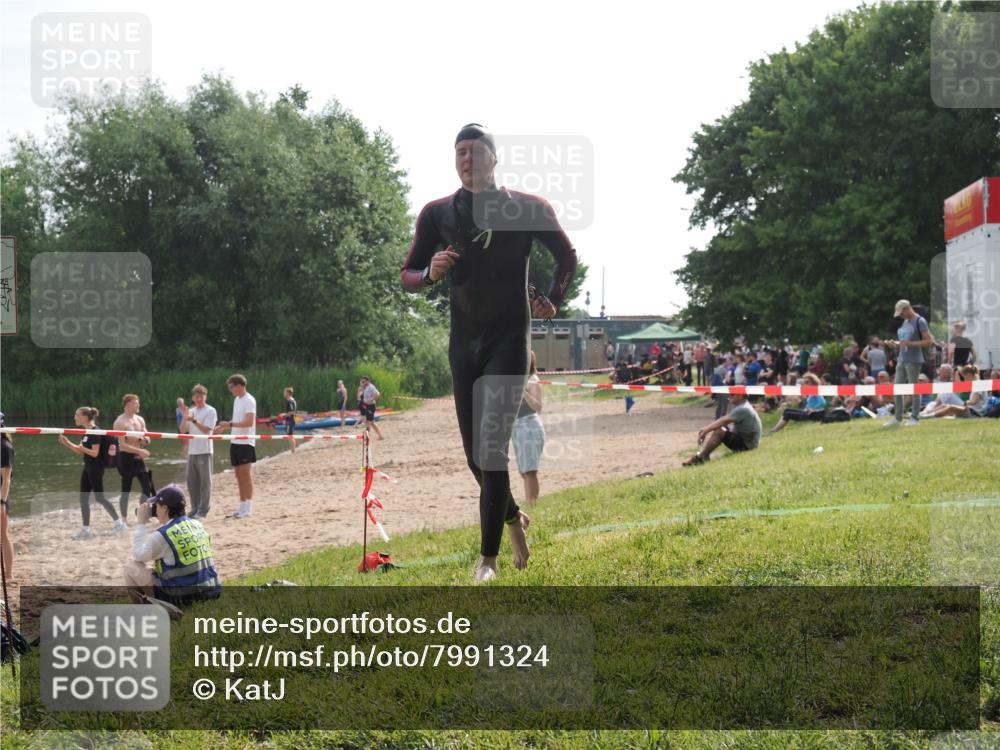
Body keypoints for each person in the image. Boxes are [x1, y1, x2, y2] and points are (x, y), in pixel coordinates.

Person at [400, 123, 577, 581]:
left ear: (494, 159)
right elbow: (408, 274)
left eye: (476, 151)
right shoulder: (437, 213)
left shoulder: (527, 208)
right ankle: (514, 518)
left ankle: (488, 561)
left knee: (492, 448)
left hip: (509, 341)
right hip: (464, 344)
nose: (467, 159)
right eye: (460, 152)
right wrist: (430, 273)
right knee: (475, 458)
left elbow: (566, 255)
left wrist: (553, 297)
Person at [124, 485, 221, 606]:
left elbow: (138, 555)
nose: (155, 509)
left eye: (157, 506)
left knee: (131, 567)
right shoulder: (197, 524)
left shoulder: (164, 534)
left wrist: (141, 524)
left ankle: (146, 608)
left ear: (165, 508)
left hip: (183, 598)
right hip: (212, 591)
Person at [59, 406, 126, 539]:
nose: (75, 417)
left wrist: (81, 448)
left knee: (100, 498)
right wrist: (67, 443)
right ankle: (86, 529)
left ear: (85, 417)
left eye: (77, 415)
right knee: (83, 498)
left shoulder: (95, 432)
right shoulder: (87, 432)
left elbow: (95, 453)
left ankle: (119, 524)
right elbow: (81, 451)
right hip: (88, 467)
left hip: (96, 468)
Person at [884, 300, 934, 427]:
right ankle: (898, 418)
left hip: (914, 360)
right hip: (902, 359)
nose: (901, 316)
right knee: (897, 388)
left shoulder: (920, 321)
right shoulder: (905, 322)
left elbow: (929, 342)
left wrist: (910, 344)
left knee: (914, 388)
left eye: (901, 313)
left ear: (907, 308)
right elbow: (904, 342)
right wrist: (895, 344)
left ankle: (915, 418)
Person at [213, 374, 256, 519]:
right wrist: (223, 427)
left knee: (245, 474)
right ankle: (242, 506)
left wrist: (229, 424)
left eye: (231, 386)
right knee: (238, 475)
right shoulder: (237, 400)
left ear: (239, 385)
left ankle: (248, 508)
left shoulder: (249, 400)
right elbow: (237, 420)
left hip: (246, 442)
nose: (230, 389)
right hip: (235, 441)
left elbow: (249, 422)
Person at [682, 392, 762, 466]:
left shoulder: (743, 408)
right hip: (748, 442)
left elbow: (723, 421)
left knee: (719, 431)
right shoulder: (743, 406)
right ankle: (703, 456)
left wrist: (705, 431)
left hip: (747, 446)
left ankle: (702, 457)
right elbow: (725, 421)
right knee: (721, 429)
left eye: (732, 394)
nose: (729, 396)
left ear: (740, 395)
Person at [114, 394, 156, 519]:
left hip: (138, 457)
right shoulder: (120, 422)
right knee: (126, 490)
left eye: (138, 403)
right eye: (135, 403)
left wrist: (145, 441)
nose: (138, 405)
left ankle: (142, 514)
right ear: (127, 404)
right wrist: (140, 450)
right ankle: (124, 519)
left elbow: (147, 437)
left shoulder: (140, 419)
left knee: (147, 486)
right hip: (125, 458)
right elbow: (122, 445)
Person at [512, 352, 545, 505]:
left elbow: (538, 406)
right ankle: (530, 503)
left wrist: (523, 392)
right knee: (524, 472)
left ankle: (532, 505)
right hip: (518, 427)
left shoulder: (533, 380)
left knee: (530, 472)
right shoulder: (518, 379)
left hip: (529, 426)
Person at [179, 384, 217, 519]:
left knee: (205, 482)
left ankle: (203, 509)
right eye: (197, 396)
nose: (199, 399)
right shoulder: (191, 411)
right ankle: (194, 507)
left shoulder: (210, 410)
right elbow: (183, 431)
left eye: (201, 396)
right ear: (193, 398)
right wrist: (185, 418)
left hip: (205, 450)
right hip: (192, 451)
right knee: (192, 482)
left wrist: (194, 420)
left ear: (205, 397)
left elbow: (207, 430)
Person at [1, 413, 14, 576]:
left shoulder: (4, 447)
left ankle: (8, 574)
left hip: (0, 495)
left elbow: (6, 479)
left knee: (3, 534)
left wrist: (2, 502)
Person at [283, 387, 298, 453]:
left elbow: (292, 411)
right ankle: (293, 450)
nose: (284, 393)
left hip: (290, 420)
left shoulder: (290, 401)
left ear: (288, 393)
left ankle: (293, 450)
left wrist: (284, 415)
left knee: (290, 435)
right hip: (290, 420)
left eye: (285, 392)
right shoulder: (292, 400)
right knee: (290, 435)